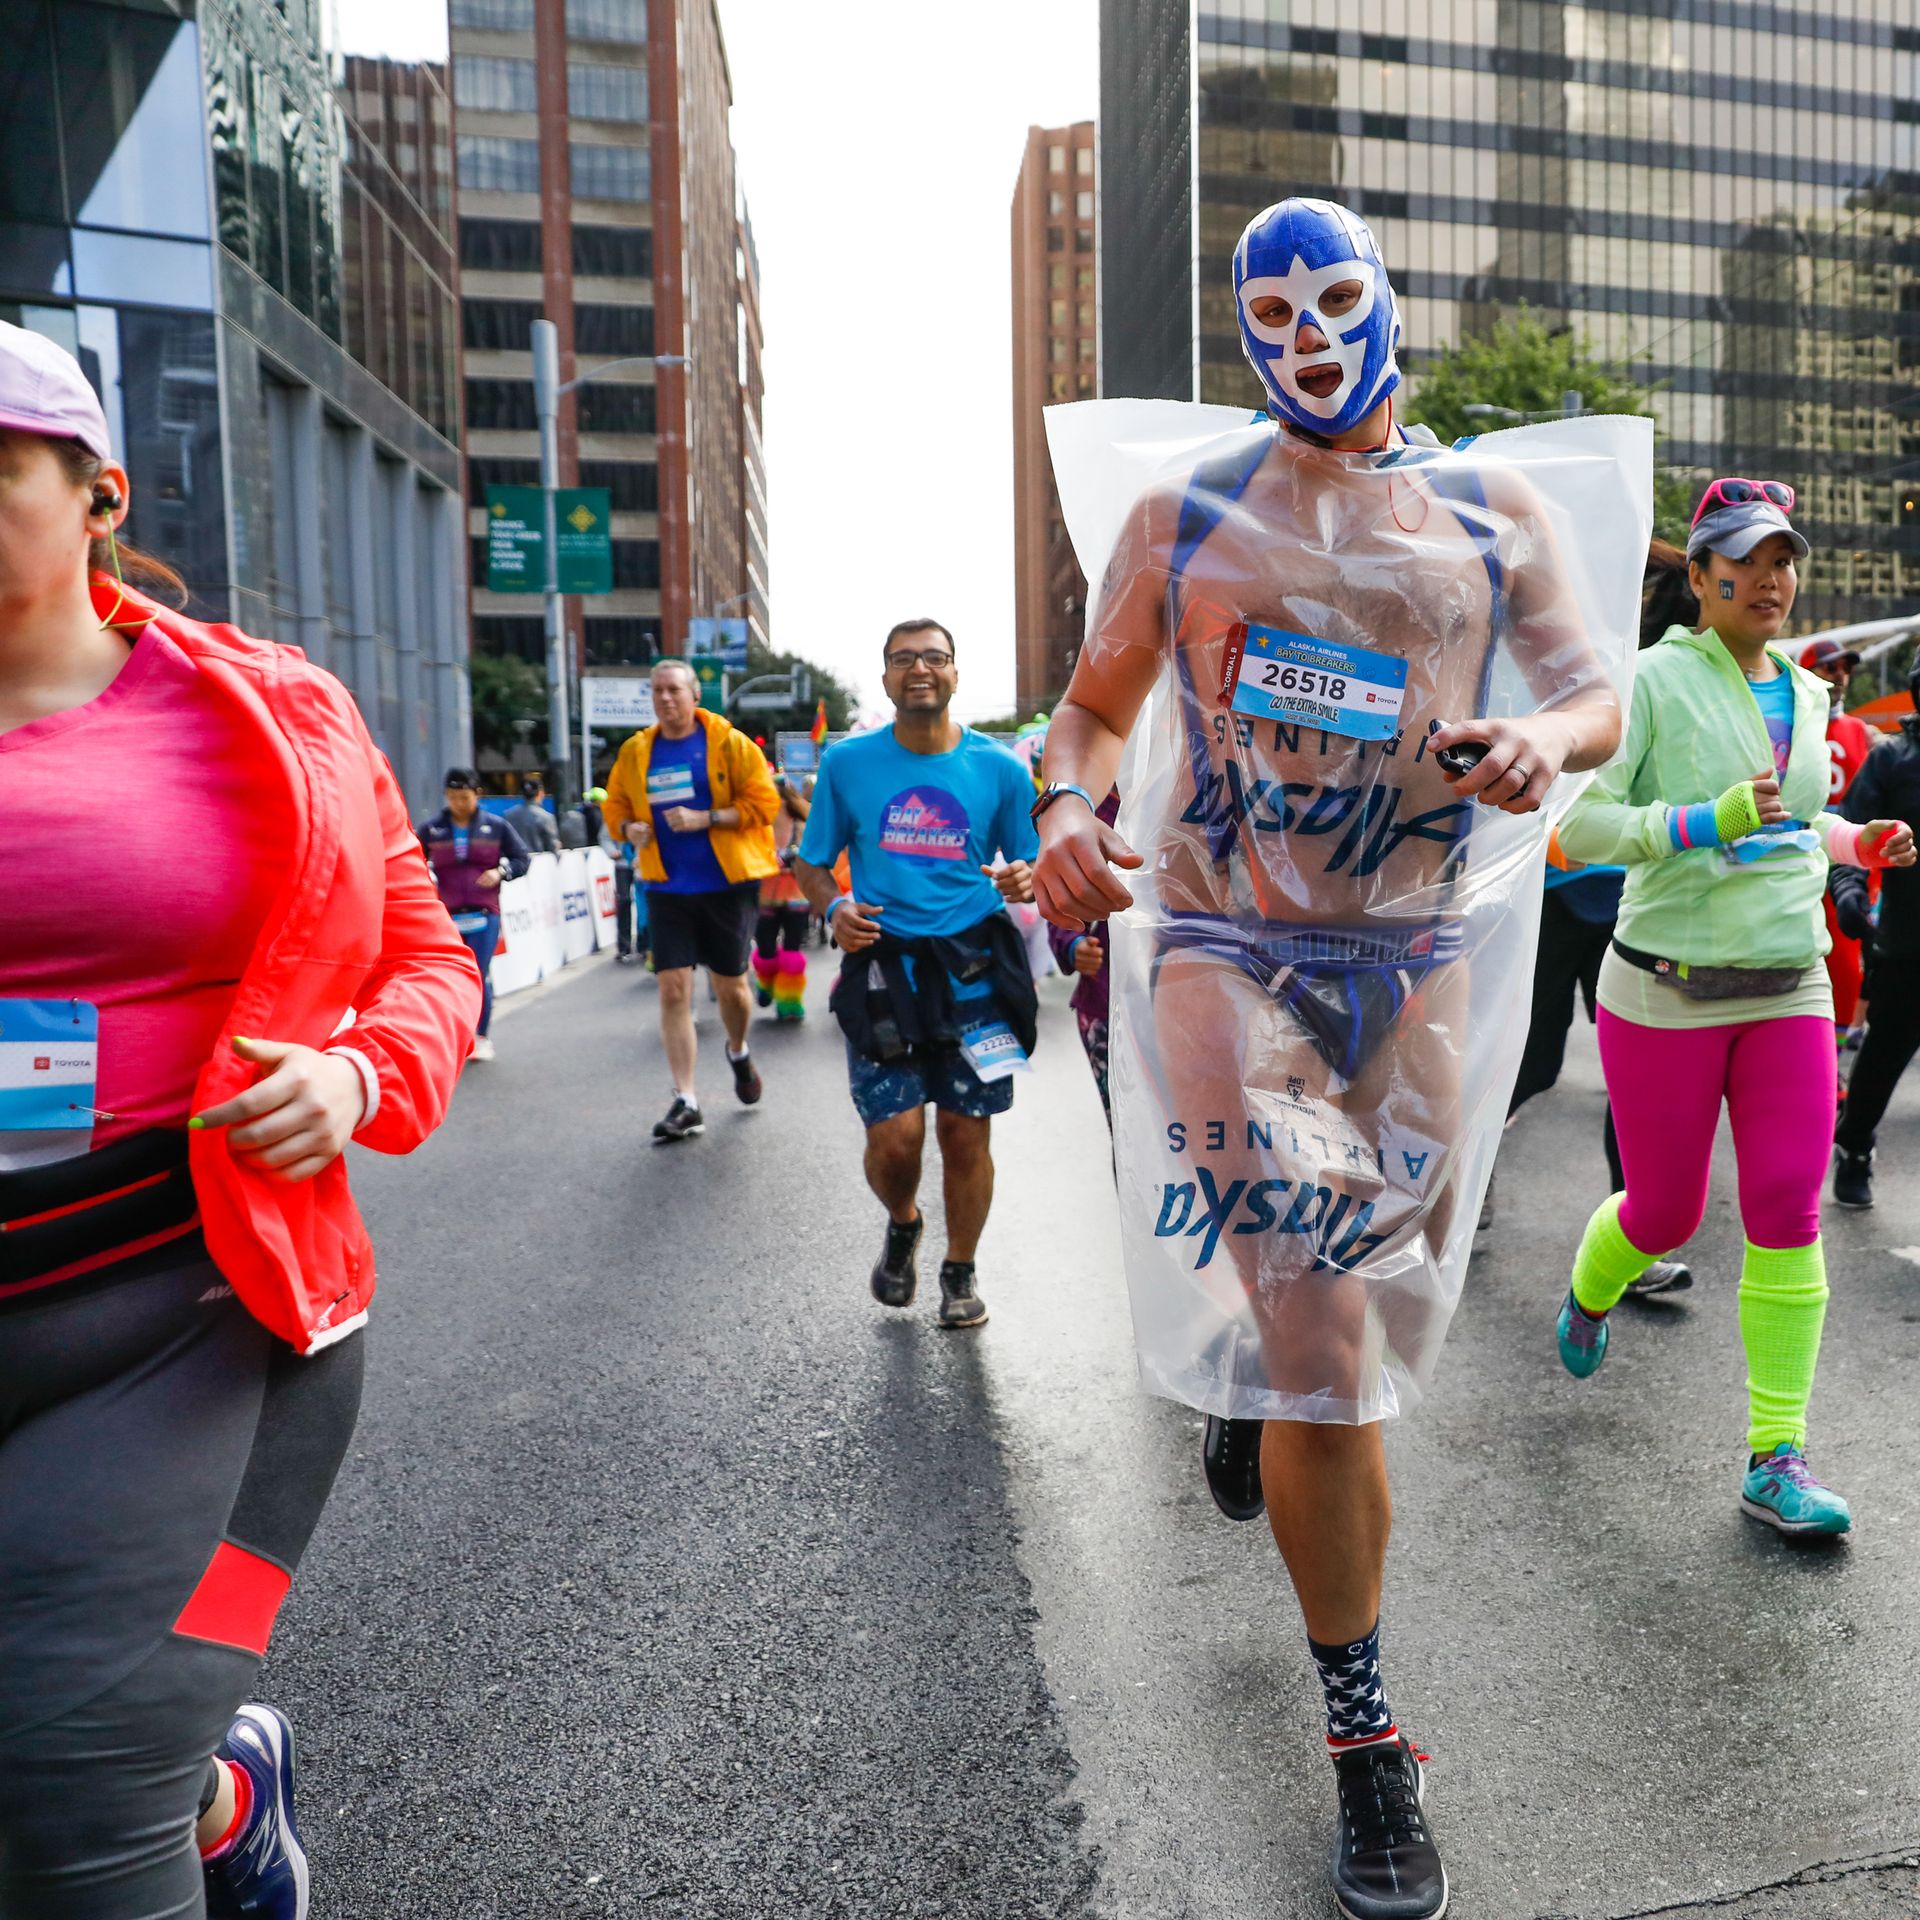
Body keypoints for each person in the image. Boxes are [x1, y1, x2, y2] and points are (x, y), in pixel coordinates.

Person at [1033, 199, 1634, 1920]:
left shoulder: (1488, 512)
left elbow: (1594, 697)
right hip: (1229, 953)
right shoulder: (1193, 511)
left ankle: (1251, 1388)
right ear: (1242, 328)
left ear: (1386, 303)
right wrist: (1070, 805)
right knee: (1325, 1329)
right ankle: (1370, 1745)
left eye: (1337, 296)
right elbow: (1091, 708)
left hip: (1419, 954)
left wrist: (1534, 737)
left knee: (1345, 1342)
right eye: (1272, 307)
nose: (1306, 333)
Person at [0, 319, 480, 1919]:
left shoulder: (273, 718)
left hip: (184, 1318)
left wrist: (354, 1075)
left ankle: (172, 1791)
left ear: (96, 495)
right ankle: (225, 1793)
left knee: (79, 1798)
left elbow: (427, 959)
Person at [1553, 481, 1914, 1541]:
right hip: (1666, 985)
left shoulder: (1807, 694)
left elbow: (1798, 823)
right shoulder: (1649, 681)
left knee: (1787, 1213)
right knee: (1662, 1213)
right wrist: (1701, 820)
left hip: (1789, 984)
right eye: (1750, 560)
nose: (1771, 579)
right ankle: (1589, 1288)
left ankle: (1777, 1456)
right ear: (1703, 576)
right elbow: (1579, 829)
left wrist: (1858, 841)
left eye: (1784, 561)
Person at [794, 619, 1040, 1332]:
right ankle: (904, 1219)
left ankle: (960, 1269)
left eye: (934, 657)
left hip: (973, 969)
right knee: (895, 1138)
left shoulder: (999, 769)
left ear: (957, 673)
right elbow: (811, 862)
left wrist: (1027, 877)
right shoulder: (848, 765)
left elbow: (1030, 864)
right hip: (884, 967)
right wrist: (833, 904)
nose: (920, 669)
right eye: (904, 659)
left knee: (967, 1134)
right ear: (886, 679)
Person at [1485, 548, 1696, 1297]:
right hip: (1560, 890)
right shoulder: (1584, 665)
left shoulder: (1677, 681)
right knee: (1537, 1061)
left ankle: (1631, 1247)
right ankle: (1461, 1181)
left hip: (1630, 904)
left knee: (1629, 1079)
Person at [602, 658, 780, 1140]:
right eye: (657, 691)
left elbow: (766, 804)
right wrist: (626, 827)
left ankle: (738, 1050)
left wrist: (709, 819)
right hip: (666, 886)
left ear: (693, 696)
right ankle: (687, 1098)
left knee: (732, 990)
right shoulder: (637, 751)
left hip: (727, 885)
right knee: (673, 988)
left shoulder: (728, 742)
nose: (665, 699)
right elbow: (614, 804)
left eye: (674, 691)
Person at [1830, 657, 1920, 1208]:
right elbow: (1851, 832)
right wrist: (1849, 890)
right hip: (1907, 945)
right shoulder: (1891, 758)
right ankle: (1855, 1145)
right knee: (1882, 1058)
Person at [418, 768, 533, 1063]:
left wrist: (500, 872)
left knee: (478, 973)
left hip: (485, 912)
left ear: (477, 794)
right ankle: (454, 1035)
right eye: (453, 797)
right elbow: (411, 860)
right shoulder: (432, 829)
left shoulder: (496, 826)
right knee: (448, 977)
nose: (459, 803)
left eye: (465, 797)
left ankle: (480, 1035)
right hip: (446, 915)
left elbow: (522, 859)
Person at [1801, 637, 1879, 1062]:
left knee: (1848, 962)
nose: (1840, 676)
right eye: (1830, 667)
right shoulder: (1789, 720)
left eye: (1844, 668)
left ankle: (1834, 1061)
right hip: (1795, 850)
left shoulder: (1858, 731)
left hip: (1845, 858)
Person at [1044, 787, 1118, 1125]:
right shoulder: (1080, 808)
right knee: (1129, 1136)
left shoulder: (1192, 790)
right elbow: (1058, 897)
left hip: (1199, 1000)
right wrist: (1074, 945)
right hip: (1105, 1003)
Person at [752, 769, 814, 1021]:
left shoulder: (801, 822)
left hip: (796, 894)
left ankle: (789, 1001)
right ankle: (766, 984)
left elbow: (815, 854)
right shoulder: (756, 824)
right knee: (766, 948)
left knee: (792, 947)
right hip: (764, 894)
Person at [505, 772, 562, 856]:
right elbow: (553, 846)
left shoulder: (508, 815)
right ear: (541, 792)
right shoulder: (546, 817)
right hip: (538, 866)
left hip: (515, 865)